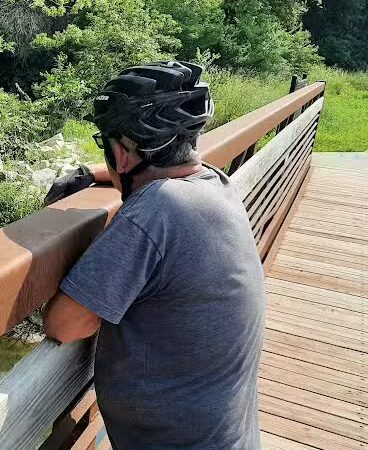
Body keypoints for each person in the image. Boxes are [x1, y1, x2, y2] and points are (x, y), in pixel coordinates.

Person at [43, 61, 266, 449]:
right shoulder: (214, 183)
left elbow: (66, 324)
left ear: (123, 154)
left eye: (106, 147)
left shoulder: (155, 212)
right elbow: (160, 172)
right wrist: (95, 172)